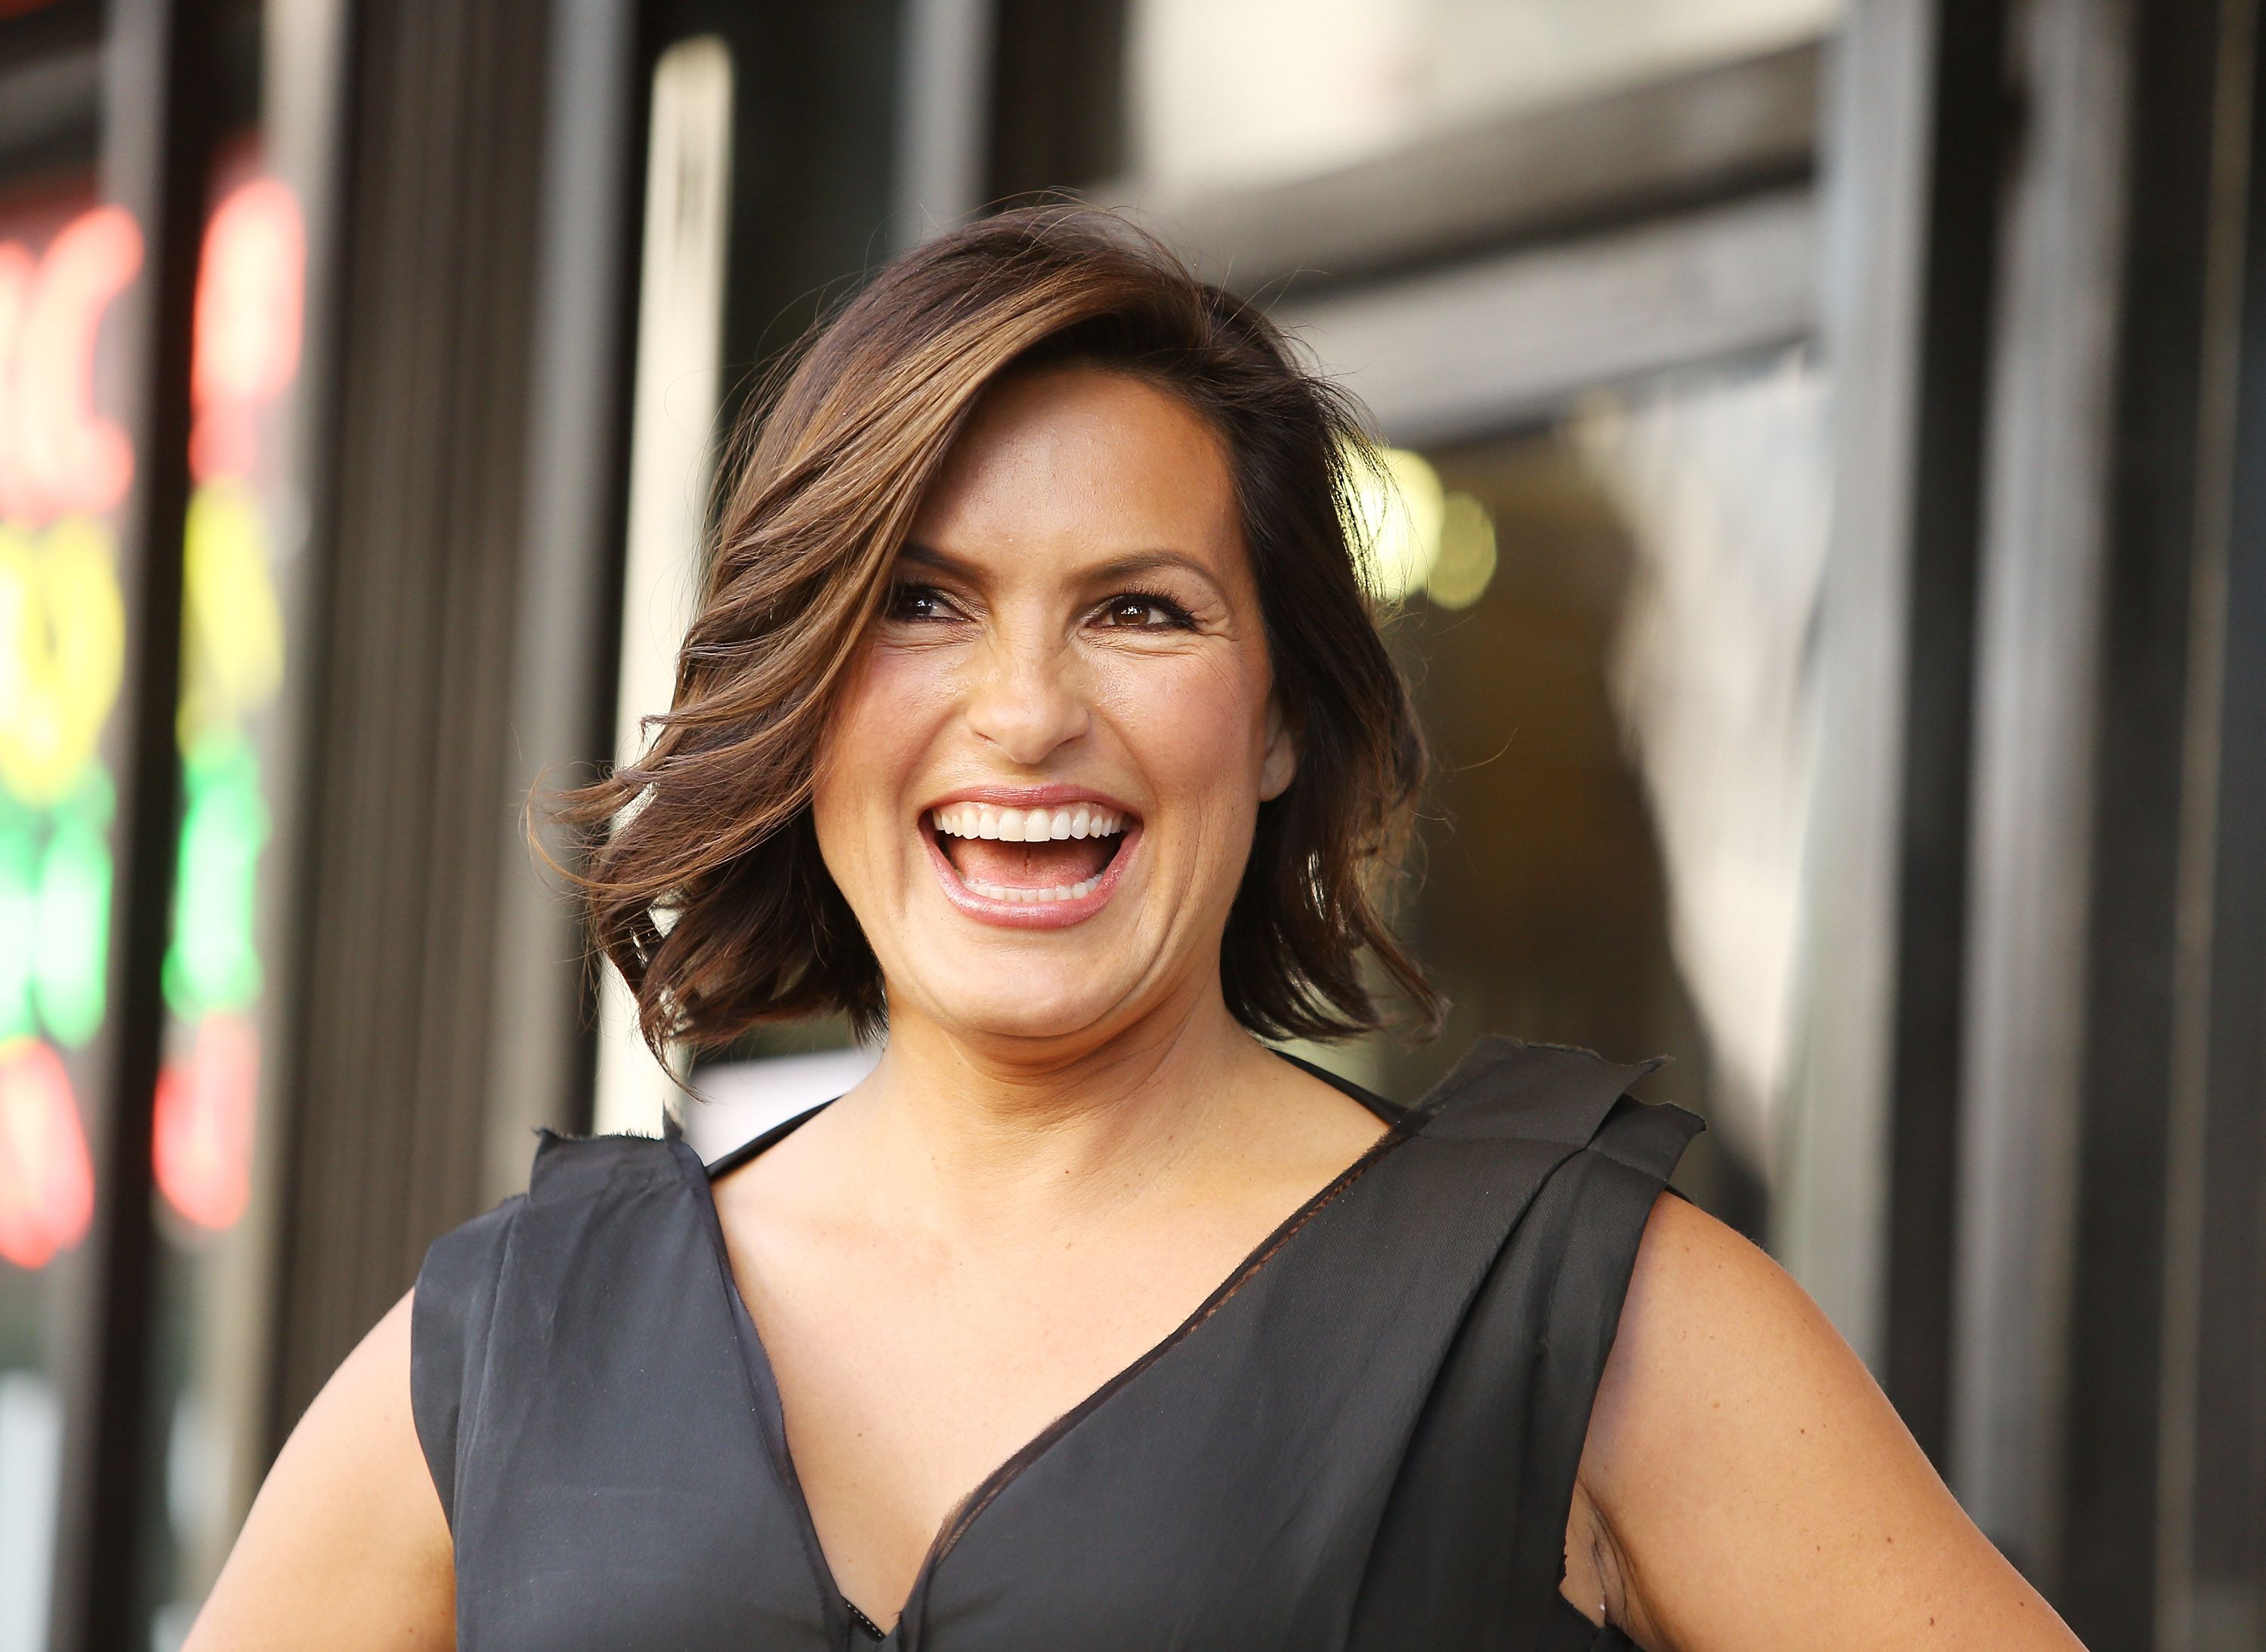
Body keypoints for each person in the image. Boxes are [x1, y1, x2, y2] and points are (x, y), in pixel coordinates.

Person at [187, 208, 2082, 1651]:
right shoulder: (514, 1339)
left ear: (1275, 723)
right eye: (922, 603)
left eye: (1143, 611)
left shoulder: (1580, 1315)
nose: (1025, 712)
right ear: (807, 692)